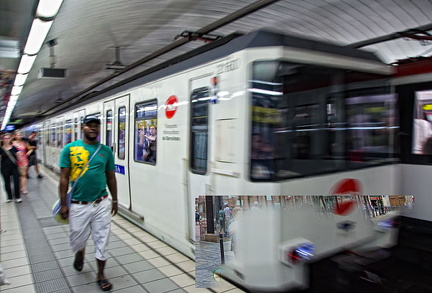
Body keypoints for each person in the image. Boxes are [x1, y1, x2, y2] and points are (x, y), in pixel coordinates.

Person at [59, 115, 118, 292]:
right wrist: (64, 204)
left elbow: (111, 177)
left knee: (102, 238)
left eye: (96, 126)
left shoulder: (106, 151)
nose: (93, 128)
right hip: (78, 204)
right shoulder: (70, 149)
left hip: (101, 202)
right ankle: (80, 251)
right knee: (78, 237)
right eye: (89, 126)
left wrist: (114, 200)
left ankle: (101, 274)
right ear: (82, 127)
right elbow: (63, 178)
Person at [0, 133, 22, 203]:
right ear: (2, 140)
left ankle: (17, 197)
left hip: (14, 167)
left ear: (10, 139)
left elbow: (18, 157)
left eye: (8, 138)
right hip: (4, 168)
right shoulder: (1, 149)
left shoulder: (14, 148)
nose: (6, 140)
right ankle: (9, 197)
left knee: (16, 182)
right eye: (5, 138)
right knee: (7, 182)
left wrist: (21, 161)